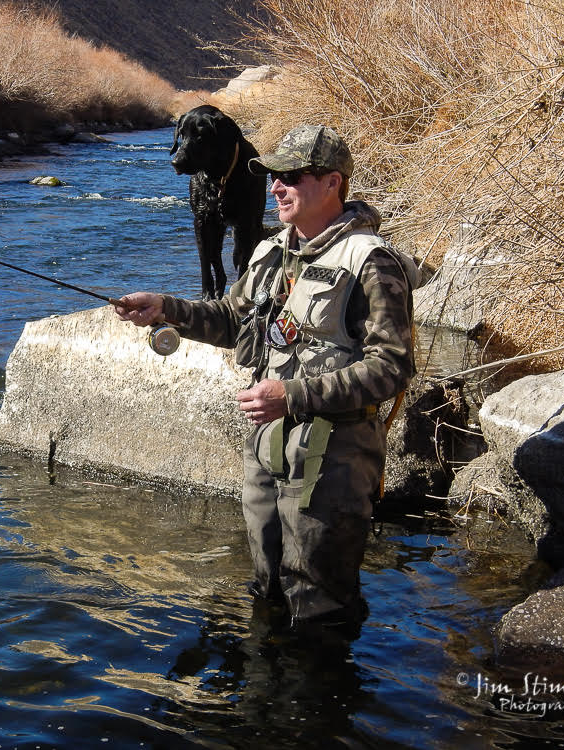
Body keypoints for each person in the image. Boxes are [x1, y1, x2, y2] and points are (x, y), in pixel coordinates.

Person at [115, 124, 418, 632]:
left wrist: (293, 394)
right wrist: (166, 309)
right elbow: (233, 320)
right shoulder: (268, 252)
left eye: (292, 176)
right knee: (267, 587)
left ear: (332, 183)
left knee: (321, 605)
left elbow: (391, 367)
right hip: (268, 445)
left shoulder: (372, 261)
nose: (276, 186)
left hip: (337, 457)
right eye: (273, 176)